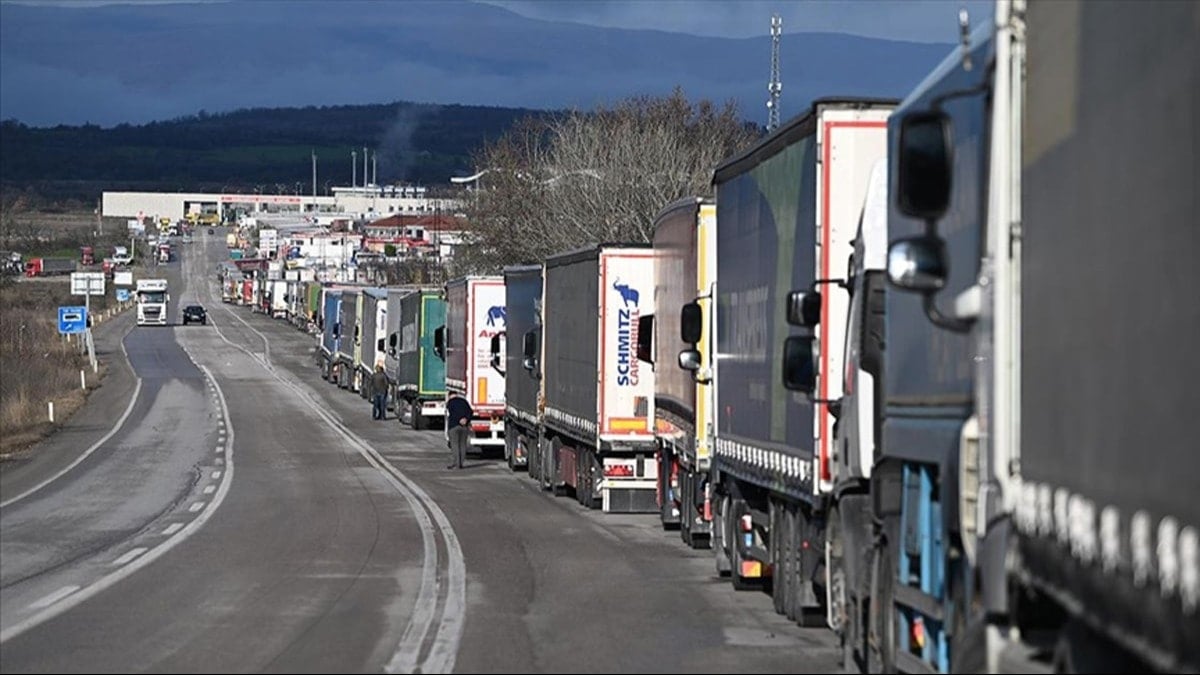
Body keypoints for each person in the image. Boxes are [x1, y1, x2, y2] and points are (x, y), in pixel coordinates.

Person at [445, 393, 473, 469]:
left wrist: (458, 420)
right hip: (464, 426)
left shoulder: (450, 403)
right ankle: (461, 463)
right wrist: (466, 419)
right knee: (463, 445)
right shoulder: (464, 401)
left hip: (454, 426)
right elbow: (470, 412)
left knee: (455, 445)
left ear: (450, 396)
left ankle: (456, 464)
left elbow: (452, 413)